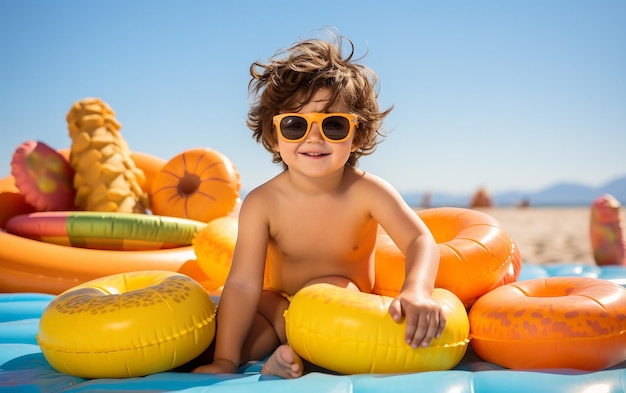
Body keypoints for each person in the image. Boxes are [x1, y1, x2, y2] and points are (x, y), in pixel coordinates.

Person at [192, 32, 445, 379]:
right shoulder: (262, 202)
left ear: (356, 134)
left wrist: (416, 289)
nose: (314, 137)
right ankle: (283, 352)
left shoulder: (368, 191)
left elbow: (420, 241)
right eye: (295, 125)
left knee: (326, 295)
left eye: (334, 125)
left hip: (340, 306)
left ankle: (291, 354)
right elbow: (243, 284)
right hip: (278, 304)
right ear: (273, 134)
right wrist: (224, 359)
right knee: (221, 335)